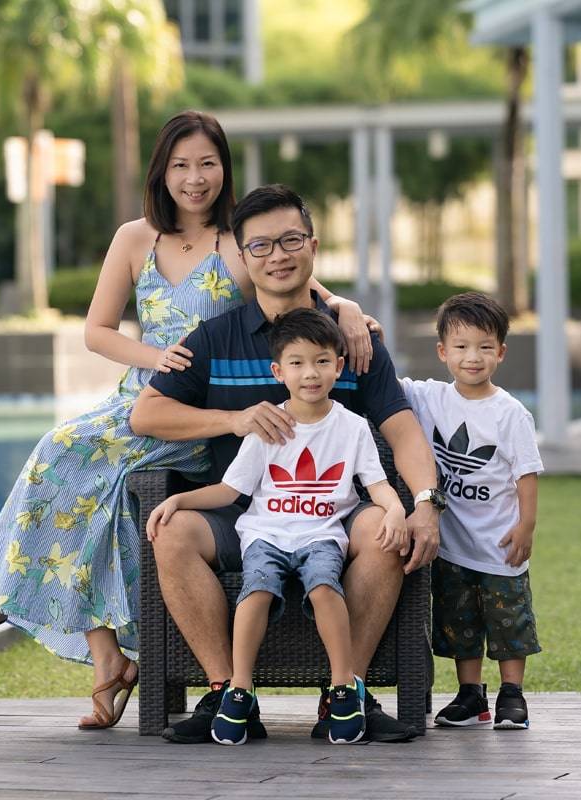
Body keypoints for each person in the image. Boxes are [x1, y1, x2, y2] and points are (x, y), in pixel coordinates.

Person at [0, 112, 379, 730]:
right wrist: (153, 356)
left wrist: (349, 309)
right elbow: (96, 331)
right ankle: (100, 651)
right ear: (161, 171)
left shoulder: (236, 242)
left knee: (74, 466)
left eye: (208, 164)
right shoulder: (135, 238)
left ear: (225, 169)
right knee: (67, 465)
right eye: (181, 165)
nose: (195, 179)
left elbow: (301, 282)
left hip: (200, 414)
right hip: (140, 399)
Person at [130, 184, 446, 744]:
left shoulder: (353, 341)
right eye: (260, 246)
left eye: (290, 240)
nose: (277, 255)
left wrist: (424, 503)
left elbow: (403, 430)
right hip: (241, 513)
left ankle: (344, 692)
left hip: (334, 517)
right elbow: (146, 414)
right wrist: (230, 421)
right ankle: (228, 694)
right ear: (243, 258)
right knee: (172, 530)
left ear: (313, 246)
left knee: (381, 527)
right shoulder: (214, 338)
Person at [145, 308, 408, 745]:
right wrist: (179, 499)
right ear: (279, 371)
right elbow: (230, 490)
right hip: (265, 534)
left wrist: (397, 509)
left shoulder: (353, 427)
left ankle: (345, 687)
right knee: (257, 591)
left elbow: (376, 484)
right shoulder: (270, 426)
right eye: (298, 363)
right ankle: (238, 690)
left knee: (325, 587)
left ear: (339, 366)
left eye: (322, 361)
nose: (311, 373)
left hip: (323, 534)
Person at [399, 291, 543, 730]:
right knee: (460, 623)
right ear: (442, 352)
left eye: (484, 347)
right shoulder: (430, 399)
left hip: (499, 544)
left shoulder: (510, 414)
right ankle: (470, 695)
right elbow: (382, 377)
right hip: (453, 547)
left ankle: (512, 695)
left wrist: (526, 527)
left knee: (507, 621)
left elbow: (526, 475)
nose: (472, 357)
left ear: (500, 351)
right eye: (461, 347)